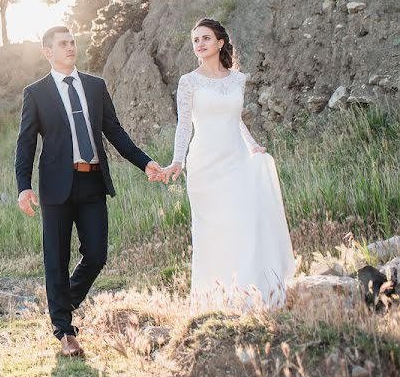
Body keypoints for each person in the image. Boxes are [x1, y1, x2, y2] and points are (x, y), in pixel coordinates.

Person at [15, 25, 165, 357]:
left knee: (96, 254)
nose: (71, 48)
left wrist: (145, 163)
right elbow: (25, 144)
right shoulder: (36, 92)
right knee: (56, 257)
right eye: (63, 44)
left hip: (92, 181)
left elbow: (114, 130)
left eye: (72, 42)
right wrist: (23, 187)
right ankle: (65, 332)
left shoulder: (95, 86)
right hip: (55, 185)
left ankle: (61, 305)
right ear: (48, 51)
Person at [159, 18, 295, 310]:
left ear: (220, 43)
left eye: (205, 38)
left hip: (236, 159)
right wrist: (177, 161)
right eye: (195, 40)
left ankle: (248, 294)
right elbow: (184, 126)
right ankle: (214, 300)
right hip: (204, 163)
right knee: (212, 230)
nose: (200, 44)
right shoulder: (189, 81)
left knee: (242, 223)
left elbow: (235, 120)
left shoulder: (238, 80)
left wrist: (252, 146)